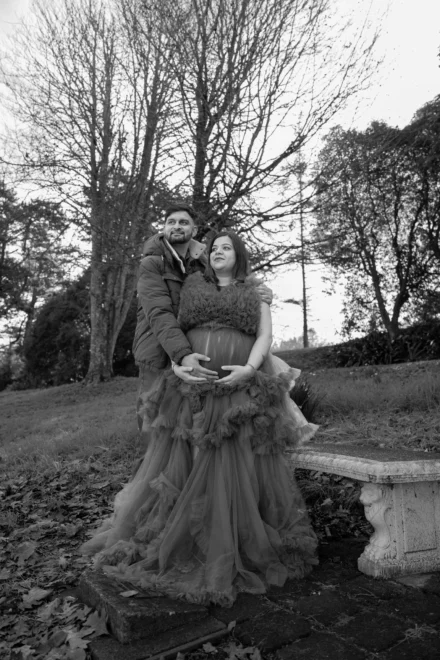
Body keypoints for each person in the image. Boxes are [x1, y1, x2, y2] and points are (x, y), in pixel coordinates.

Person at [82, 231, 318, 606]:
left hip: (237, 389)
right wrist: (178, 364)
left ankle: (231, 539)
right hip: (190, 387)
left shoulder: (256, 291)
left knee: (233, 459)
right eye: (214, 248)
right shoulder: (193, 286)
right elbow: (174, 330)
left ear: (239, 256)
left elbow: (264, 336)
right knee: (189, 459)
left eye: (226, 248)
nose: (218, 252)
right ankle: (187, 535)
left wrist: (249, 369)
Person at [132, 204, 272, 447]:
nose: (177, 226)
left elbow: (227, 286)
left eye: (183, 222)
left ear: (194, 230)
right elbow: (160, 313)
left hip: (191, 353)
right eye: (171, 222)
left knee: (185, 422)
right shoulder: (152, 263)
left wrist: (260, 292)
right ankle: (148, 466)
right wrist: (181, 356)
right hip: (157, 349)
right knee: (154, 417)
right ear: (163, 228)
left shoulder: (203, 262)